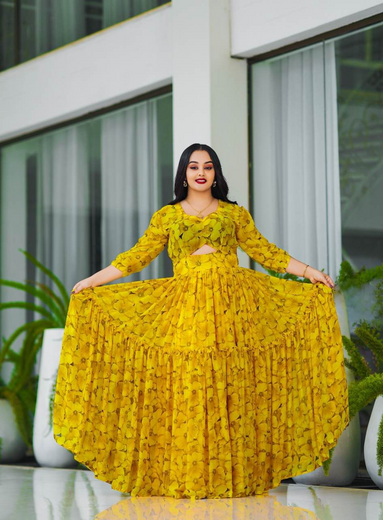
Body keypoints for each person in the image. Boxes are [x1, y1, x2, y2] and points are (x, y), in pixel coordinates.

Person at [53, 143, 349, 501]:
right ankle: (188, 474)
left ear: (215, 173)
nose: (201, 172)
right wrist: (92, 281)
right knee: (191, 383)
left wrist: (309, 272)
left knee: (231, 385)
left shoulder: (234, 214)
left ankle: (234, 475)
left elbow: (266, 252)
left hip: (233, 310)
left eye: (208, 167)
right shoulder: (167, 216)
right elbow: (136, 257)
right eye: (193, 167)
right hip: (187, 309)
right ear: (183, 174)